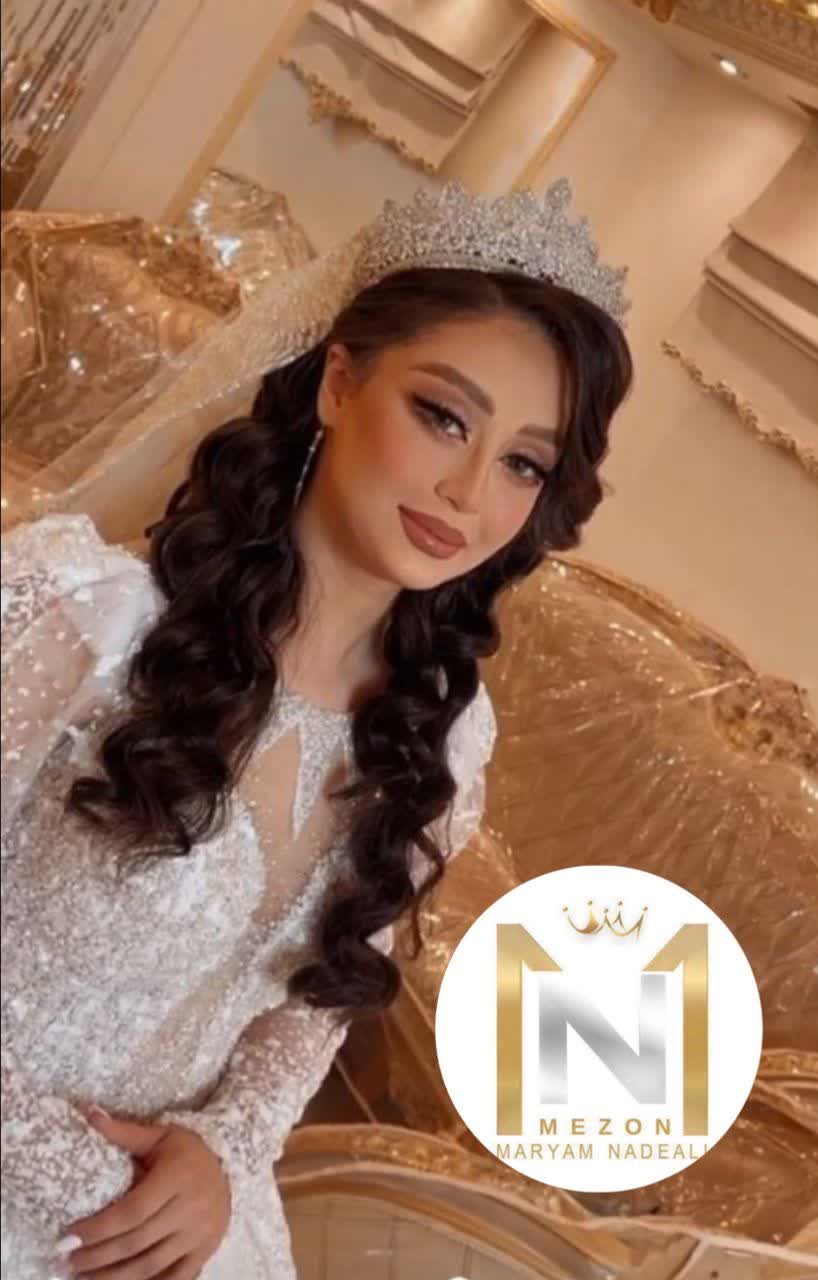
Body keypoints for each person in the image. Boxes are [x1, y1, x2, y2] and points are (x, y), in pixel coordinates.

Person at [1, 179, 632, 1280]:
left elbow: (313, 1010)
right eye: (443, 416)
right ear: (339, 381)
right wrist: (91, 1187)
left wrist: (225, 1146)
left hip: (187, 1229)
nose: (468, 490)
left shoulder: (440, 740)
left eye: (523, 462)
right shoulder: (82, 618)